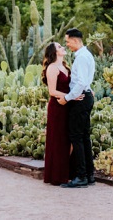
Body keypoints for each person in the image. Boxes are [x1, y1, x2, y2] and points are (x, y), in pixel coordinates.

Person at [58, 28, 96, 188]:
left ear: (75, 40)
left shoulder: (81, 58)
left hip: (80, 99)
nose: (67, 45)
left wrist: (67, 98)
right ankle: (89, 174)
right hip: (86, 97)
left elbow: (80, 82)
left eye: (67, 41)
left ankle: (81, 177)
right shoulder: (87, 55)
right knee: (85, 136)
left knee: (76, 137)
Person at [41, 42, 83, 186]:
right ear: (54, 52)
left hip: (68, 105)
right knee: (58, 140)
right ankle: (58, 176)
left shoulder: (65, 67)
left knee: (69, 139)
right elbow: (52, 92)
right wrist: (72, 96)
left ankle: (67, 172)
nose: (63, 47)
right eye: (59, 47)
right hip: (57, 107)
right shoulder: (52, 68)